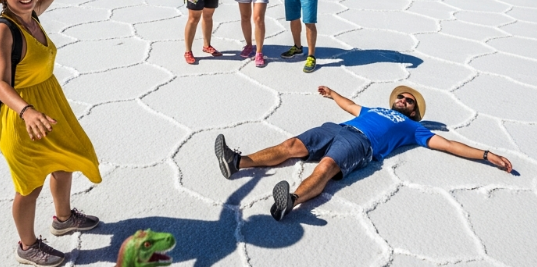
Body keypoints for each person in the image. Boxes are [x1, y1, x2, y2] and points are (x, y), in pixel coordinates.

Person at [214, 85, 513, 221]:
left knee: (326, 168)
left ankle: (290, 202)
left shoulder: (414, 129)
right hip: (337, 128)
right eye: (401, 96)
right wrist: (333, 95)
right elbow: (351, 106)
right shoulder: (378, 109)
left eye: (409, 101)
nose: (403, 100)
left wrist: (486, 155)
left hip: (361, 145)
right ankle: (237, 162)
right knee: (291, 146)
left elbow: (449, 145)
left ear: (415, 112)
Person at [0, 0, 102, 267]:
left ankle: (62, 219)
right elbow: (1, 84)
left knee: (66, 160)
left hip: (50, 104)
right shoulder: (2, 31)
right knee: (29, 186)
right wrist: (27, 111)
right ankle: (27, 246)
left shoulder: (31, 15)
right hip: (22, 117)